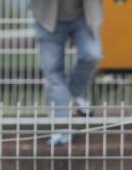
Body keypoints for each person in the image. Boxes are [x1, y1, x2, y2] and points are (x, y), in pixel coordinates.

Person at [30, 0, 104, 146]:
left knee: (92, 55)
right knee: (53, 72)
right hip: (48, 18)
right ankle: (62, 130)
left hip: (85, 15)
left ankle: (72, 94)